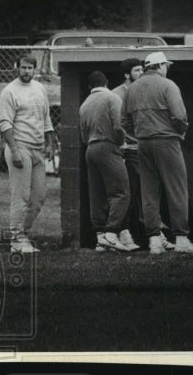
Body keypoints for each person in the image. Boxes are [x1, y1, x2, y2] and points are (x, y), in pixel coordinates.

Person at [121, 52, 193, 255]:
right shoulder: (168, 85)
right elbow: (180, 116)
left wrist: (140, 133)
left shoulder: (132, 88)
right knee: (177, 189)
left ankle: (154, 239)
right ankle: (182, 238)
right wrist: (179, 131)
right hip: (167, 141)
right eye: (166, 65)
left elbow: (124, 121)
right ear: (160, 66)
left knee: (149, 191)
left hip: (143, 143)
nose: (167, 68)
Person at [0, 55, 56, 253]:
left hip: (38, 148)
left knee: (39, 196)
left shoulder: (40, 88)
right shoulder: (9, 91)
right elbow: (5, 123)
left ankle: (24, 234)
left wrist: (50, 144)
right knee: (21, 196)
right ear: (17, 67)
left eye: (30, 68)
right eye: (23, 67)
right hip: (20, 146)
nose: (26, 71)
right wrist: (14, 150)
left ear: (34, 69)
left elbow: (46, 117)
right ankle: (16, 239)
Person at [79, 71, 136, 252]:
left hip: (90, 149)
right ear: (107, 82)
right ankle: (112, 234)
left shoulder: (84, 104)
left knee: (97, 195)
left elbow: (83, 136)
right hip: (108, 146)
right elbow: (119, 127)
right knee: (121, 192)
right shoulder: (112, 98)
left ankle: (100, 238)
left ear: (89, 87)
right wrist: (120, 144)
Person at [112, 58, 149, 249]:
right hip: (127, 150)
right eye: (137, 70)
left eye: (143, 69)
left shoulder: (143, 91)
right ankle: (123, 233)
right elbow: (119, 125)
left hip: (144, 148)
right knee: (129, 192)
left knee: (145, 193)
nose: (141, 73)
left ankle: (146, 234)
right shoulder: (117, 94)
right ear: (127, 74)